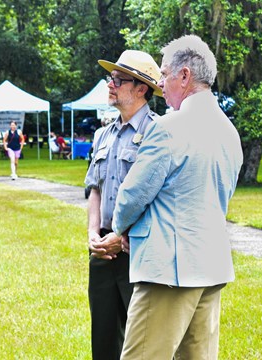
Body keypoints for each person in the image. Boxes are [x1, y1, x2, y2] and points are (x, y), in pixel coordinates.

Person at [112, 35, 243, 359]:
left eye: (165, 74)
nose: (160, 82)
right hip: (211, 267)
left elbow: (132, 196)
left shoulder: (169, 127)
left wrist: (121, 230)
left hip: (168, 271)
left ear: (184, 76)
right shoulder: (230, 132)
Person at [84, 49, 163, 360]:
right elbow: (95, 188)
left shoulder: (158, 132)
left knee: (143, 342)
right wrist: (93, 234)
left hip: (138, 252)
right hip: (103, 250)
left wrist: (122, 236)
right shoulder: (103, 134)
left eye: (118, 79)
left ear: (141, 88)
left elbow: (155, 196)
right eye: (110, 78)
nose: (110, 84)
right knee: (103, 340)